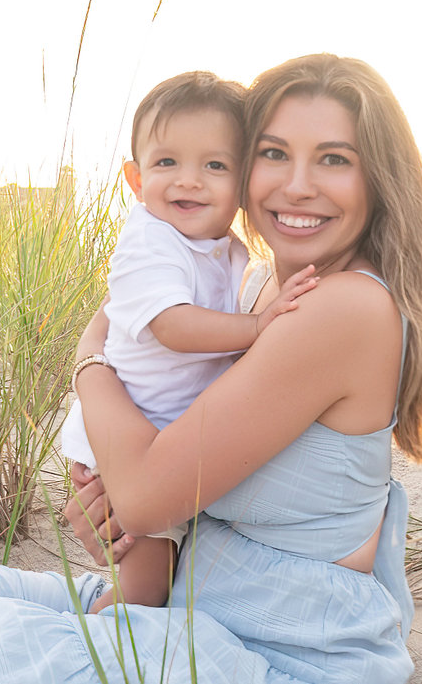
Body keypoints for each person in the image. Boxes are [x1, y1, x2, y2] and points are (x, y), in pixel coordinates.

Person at [0, 54, 422, 684]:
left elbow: (145, 488)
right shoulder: (253, 285)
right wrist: (125, 519)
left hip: (277, 654)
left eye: (333, 159)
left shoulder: (345, 306)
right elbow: (158, 468)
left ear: (378, 178)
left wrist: (87, 366)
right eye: (274, 153)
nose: (297, 183)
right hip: (190, 606)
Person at [60, 70, 316, 611]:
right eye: (167, 162)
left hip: (164, 434)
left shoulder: (229, 250)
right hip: (133, 434)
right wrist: (254, 327)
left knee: (162, 573)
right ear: (135, 178)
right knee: (143, 587)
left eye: (215, 165)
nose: (189, 181)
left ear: (244, 180)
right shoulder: (150, 243)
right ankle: (92, 648)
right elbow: (172, 326)